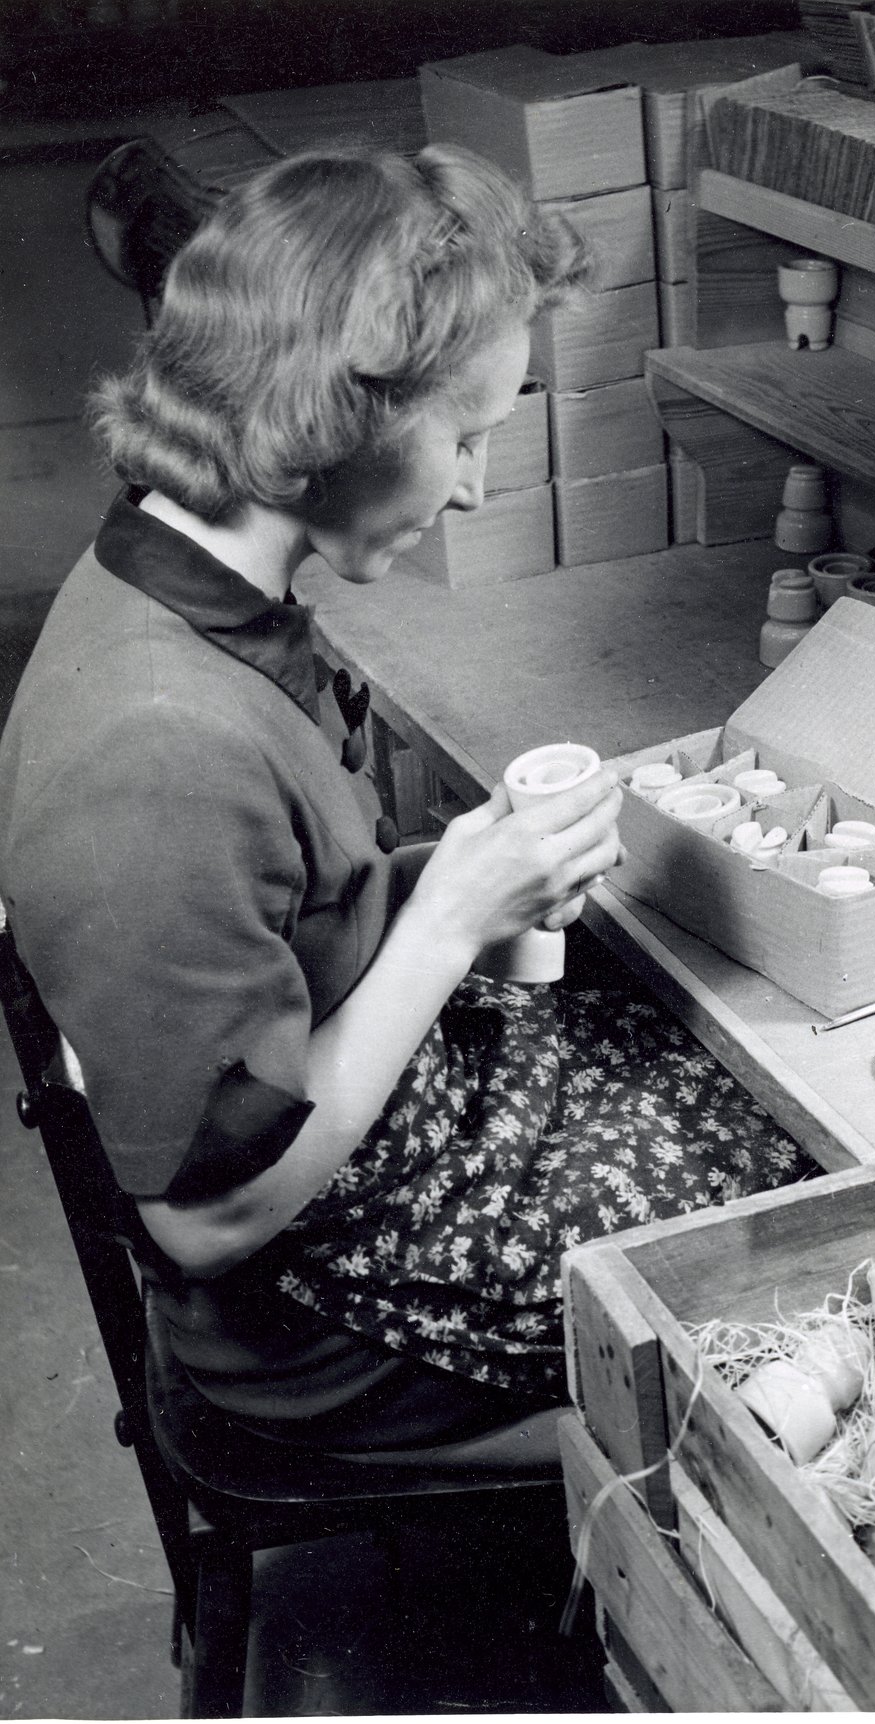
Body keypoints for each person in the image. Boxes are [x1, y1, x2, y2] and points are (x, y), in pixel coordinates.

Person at [0, 145, 814, 1452]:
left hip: (403, 1139)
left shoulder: (200, 592)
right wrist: (446, 920)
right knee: (802, 1232)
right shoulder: (149, 752)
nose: (478, 486)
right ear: (332, 422)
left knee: (737, 1069)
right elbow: (210, 1220)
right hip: (320, 1316)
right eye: (467, 436)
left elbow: (283, 911)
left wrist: (464, 870)